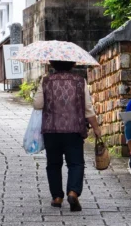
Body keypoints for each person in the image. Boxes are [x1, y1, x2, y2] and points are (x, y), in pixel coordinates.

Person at [33, 60, 102, 212]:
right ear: (73, 64)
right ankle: (73, 192)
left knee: (53, 164)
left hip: (52, 129)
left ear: (52, 64)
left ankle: (57, 197)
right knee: (76, 163)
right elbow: (87, 108)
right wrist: (96, 128)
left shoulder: (46, 81)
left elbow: (37, 104)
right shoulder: (79, 81)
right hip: (74, 130)